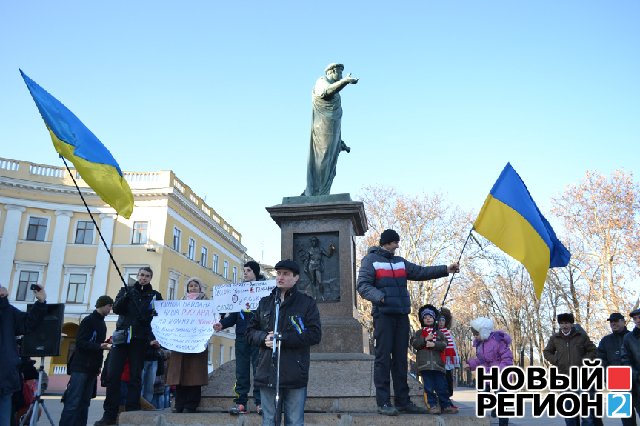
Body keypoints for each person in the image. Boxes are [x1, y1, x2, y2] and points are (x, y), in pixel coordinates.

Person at [356, 228, 459, 416]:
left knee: (401, 360)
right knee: (383, 360)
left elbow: (420, 272)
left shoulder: (399, 262)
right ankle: (384, 402)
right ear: (387, 242)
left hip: (401, 315)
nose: (397, 245)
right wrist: (381, 297)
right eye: (395, 242)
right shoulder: (370, 260)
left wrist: (446, 269)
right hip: (383, 316)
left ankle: (403, 401)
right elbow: (362, 285)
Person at [246, 259, 321, 426]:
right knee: (269, 421)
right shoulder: (265, 302)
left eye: (286, 274)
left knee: (294, 421)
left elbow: (315, 335)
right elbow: (249, 332)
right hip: (267, 371)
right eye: (278, 273)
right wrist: (264, 338)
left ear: (296, 278)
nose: (280, 277)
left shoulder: (306, 303)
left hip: (295, 371)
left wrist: (282, 339)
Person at [95, 267, 163, 426]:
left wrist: (154, 336)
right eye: (141, 275)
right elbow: (117, 308)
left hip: (140, 339)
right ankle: (109, 413)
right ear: (137, 276)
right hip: (122, 337)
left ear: (150, 278)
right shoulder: (125, 290)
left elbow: (159, 317)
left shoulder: (154, 295)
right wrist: (126, 295)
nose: (143, 278)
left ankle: (133, 410)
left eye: (147, 276)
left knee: (135, 376)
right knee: (113, 375)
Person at [213, 261, 263, 415]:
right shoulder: (240, 291)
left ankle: (260, 402)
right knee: (241, 370)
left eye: (248, 270)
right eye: (244, 271)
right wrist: (222, 324)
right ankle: (241, 402)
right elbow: (234, 315)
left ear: (255, 272)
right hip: (241, 336)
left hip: (257, 335)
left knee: (259, 369)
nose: (245, 273)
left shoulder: (264, 290)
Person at [304, 63, 358, 196]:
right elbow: (326, 92)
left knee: (330, 163)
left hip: (332, 131)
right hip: (322, 127)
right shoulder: (321, 82)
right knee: (322, 159)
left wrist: (340, 141)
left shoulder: (336, 92)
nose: (340, 76)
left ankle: (322, 192)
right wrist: (344, 81)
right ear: (331, 71)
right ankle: (317, 192)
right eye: (339, 73)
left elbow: (336, 122)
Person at [59, 295, 113, 426]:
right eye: (109, 306)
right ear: (103, 305)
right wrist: (100, 346)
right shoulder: (88, 321)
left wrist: (104, 345)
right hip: (80, 367)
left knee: (85, 403)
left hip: (92, 368)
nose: (111, 309)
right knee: (73, 402)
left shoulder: (102, 323)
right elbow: (81, 343)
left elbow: (96, 344)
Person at [0, 284, 47, 426]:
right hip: (6, 374)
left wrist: (40, 302)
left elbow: (28, 323)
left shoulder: (7, 311)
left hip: (4, 377)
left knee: (4, 418)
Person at [543, 312, 597, 426]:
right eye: (561, 323)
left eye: (566, 323)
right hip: (564, 379)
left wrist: (584, 361)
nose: (564, 326)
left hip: (582, 378)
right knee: (569, 411)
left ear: (571, 324)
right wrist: (556, 360)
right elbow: (547, 352)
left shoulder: (581, 336)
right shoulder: (555, 338)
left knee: (586, 413)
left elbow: (592, 350)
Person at [166, 277, 209, 413]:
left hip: (197, 343)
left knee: (194, 374)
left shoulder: (206, 303)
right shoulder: (181, 302)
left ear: (200, 288)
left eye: (195, 286)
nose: (193, 288)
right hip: (181, 343)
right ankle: (179, 404)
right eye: (190, 286)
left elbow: (212, 317)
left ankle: (191, 404)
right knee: (180, 374)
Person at [465, 317, 514, 426]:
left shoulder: (498, 341)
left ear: (484, 332)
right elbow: (480, 360)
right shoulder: (479, 344)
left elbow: (507, 359)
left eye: (476, 334)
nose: (475, 336)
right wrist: (470, 364)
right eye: (474, 334)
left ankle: (503, 422)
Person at [412, 304, 458, 414]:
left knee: (442, 387)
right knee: (428, 388)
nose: (428, 319)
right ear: (422, 319)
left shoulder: (439, 333)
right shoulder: (419, 333)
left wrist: (434, 344)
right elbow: (414, 343)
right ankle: (432, 405)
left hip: (438, 365)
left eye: (430, 317)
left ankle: (446, 405)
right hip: (425, 366)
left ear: (434, 319)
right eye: (425, 317)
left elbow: (444, 344)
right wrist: (424, 340)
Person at [598, 312, 635, 426]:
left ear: (623, 322)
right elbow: (600, 361)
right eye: (611, 322)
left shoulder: (634, 336)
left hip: (635, 377)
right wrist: (607, 377)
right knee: (624, 415)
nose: (613, 323)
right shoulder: (605, 340)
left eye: (616, 321)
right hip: (616, 379)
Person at [299, 236, 335, 301]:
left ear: (317, 242)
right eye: (312, 241)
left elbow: (328, 255)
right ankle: (314, 296)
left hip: (318, 266)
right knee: (313, 281)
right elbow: (307, 259)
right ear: (311, 242)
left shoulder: (320, 249)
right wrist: (305, 267)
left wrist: (331, 249)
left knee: (320, 281)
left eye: (315, 241)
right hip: (311, 266)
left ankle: (322, 296)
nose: (314, 242)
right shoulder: (309, 250)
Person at [438, 307, 460, 405]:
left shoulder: (449, 334)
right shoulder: (435, 332)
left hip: (448, 361)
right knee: (440, 382)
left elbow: (453, 347)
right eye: (439, 320)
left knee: (448, 381)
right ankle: (443, 400)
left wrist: (455, 361)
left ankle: (447, 398)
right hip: (438, 361)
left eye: (443, 320)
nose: (441, 322)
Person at [622, 308, 640, 422]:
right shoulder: (628, 338)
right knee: (625, 416)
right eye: (635, 318)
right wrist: (637, 374)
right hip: (635, 382)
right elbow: (625, 360)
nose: (637, 320)